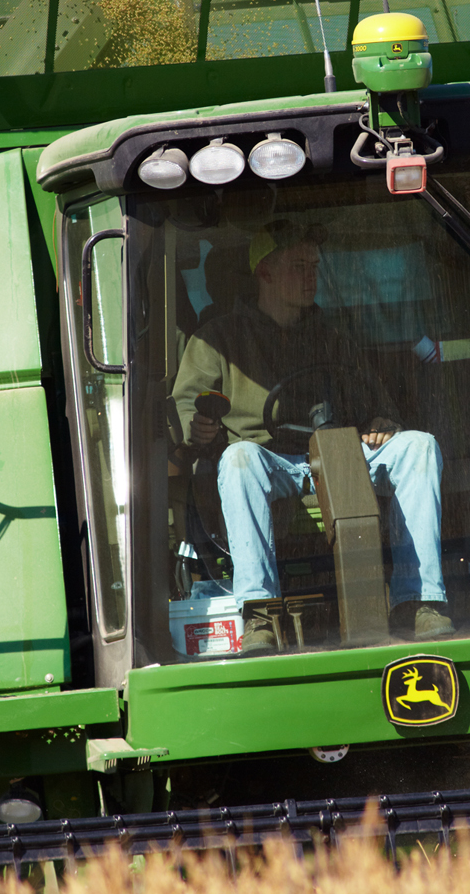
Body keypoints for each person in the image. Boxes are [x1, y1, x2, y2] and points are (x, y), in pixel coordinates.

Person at [172, 219, 451, 654]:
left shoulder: (331, 338)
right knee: (238, 458)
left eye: (315, 267)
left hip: (338, 459)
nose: (311, 277)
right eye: (299, 266)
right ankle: (259, 613)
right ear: (264, 272)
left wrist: (381, 419)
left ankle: (418, 601)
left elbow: (375, 402)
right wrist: (196, 426)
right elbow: (185, 408)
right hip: (270, 464)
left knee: (419, 446)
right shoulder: (217, 340)